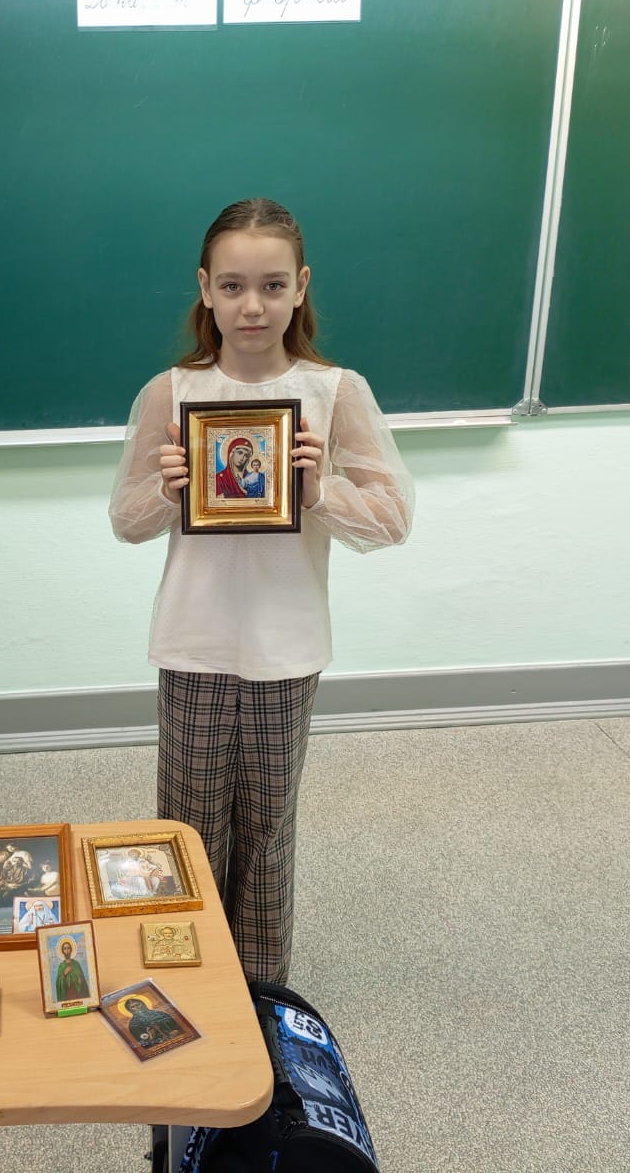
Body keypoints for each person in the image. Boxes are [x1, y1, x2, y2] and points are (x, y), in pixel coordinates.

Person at [108, 198, 413, 984]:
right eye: (233, 286)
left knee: (268, 829)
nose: (252, 306)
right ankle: (189, 977)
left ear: (300, 287)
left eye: (272, 286)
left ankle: (259, 988)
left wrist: (318, 490)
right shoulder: (171, 393)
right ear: (204, 288)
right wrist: (168, 491)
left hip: (287, 643)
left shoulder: (334, 392)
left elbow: (390, 519)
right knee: (186, 827)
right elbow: (126, 521)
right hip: (194, 639)